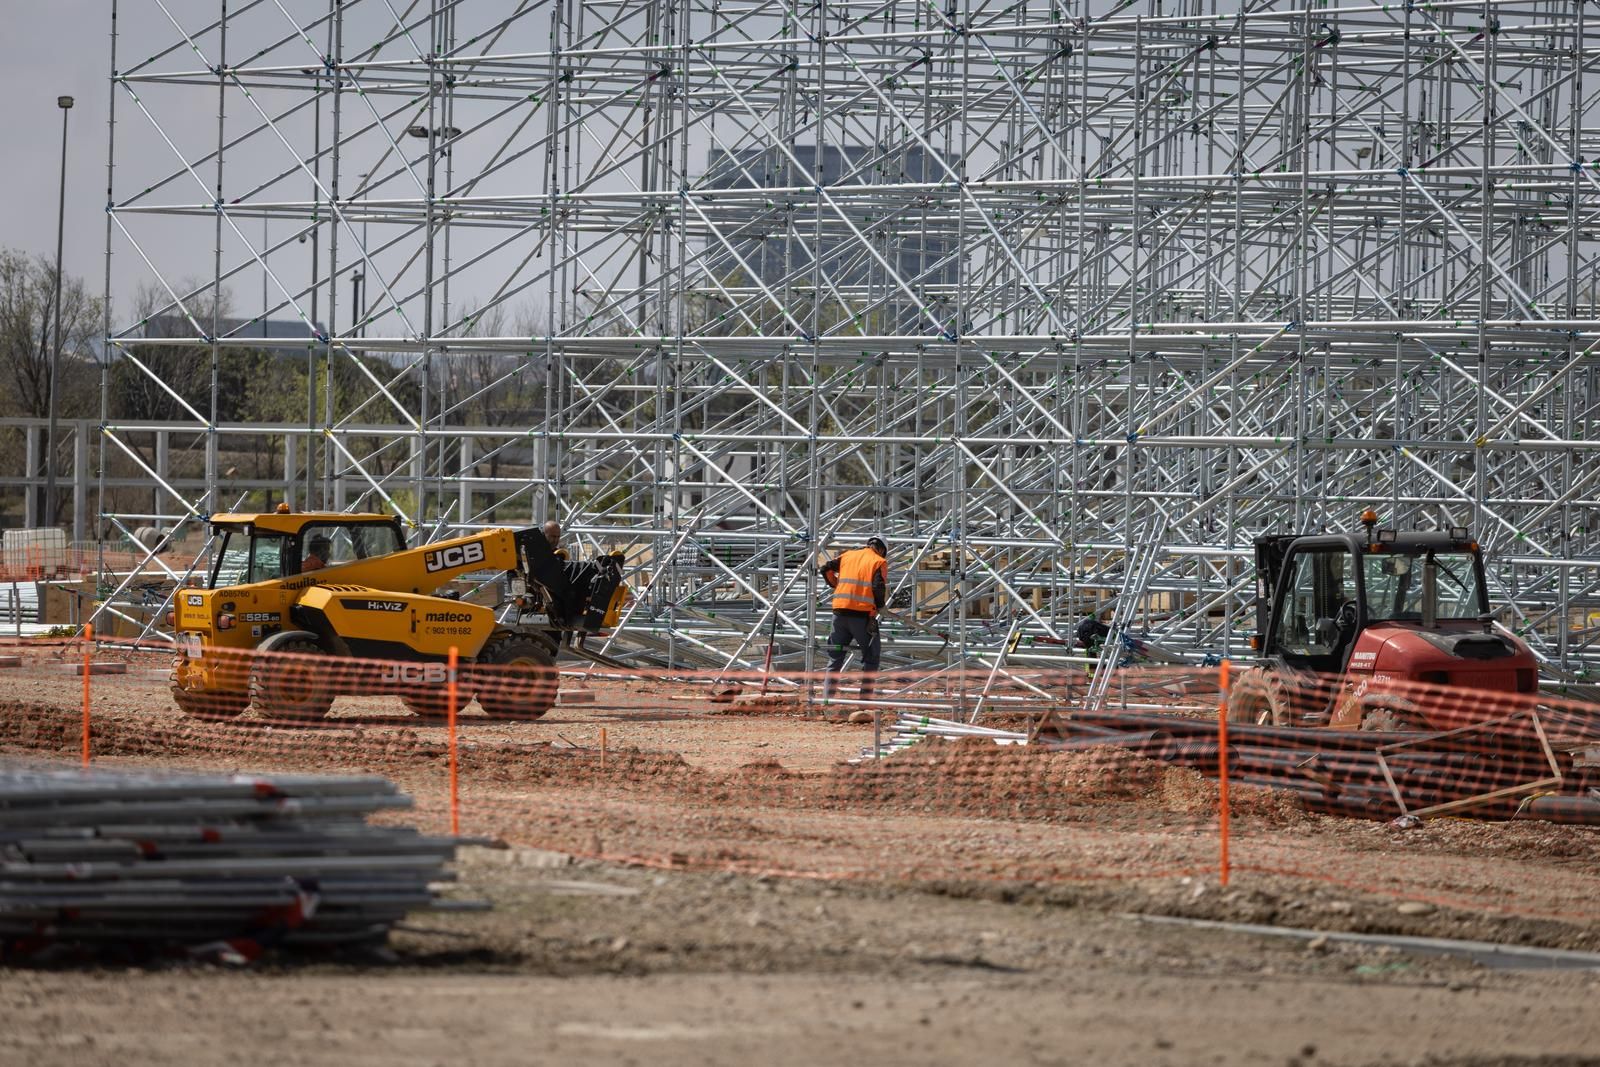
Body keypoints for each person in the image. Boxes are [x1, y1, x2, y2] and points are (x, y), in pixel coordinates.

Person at [818, 536, 888, 704]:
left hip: (839, 613)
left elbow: (825, 568)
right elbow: (878, 586)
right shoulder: (878, 561)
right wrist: (880, 606)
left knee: (835, 657)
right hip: (861, 616)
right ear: (881, 549)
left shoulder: (848, 555)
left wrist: (836, 584)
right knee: (871, 656)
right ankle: (864, 701)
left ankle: (827, 699)